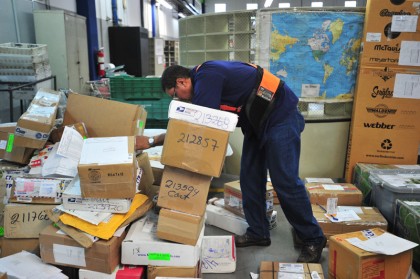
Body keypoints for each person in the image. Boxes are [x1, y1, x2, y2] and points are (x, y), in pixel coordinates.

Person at [136, 60, 326, 263]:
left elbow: (195, 126)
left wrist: (152, 141)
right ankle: (259, 232)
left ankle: (313, 238)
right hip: (258, 124)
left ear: (182, 82)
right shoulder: (204, 80)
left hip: (281, 117)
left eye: (174, 94)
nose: (178, 99)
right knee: (250, 177)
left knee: (285, 181)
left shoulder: (206, 77)